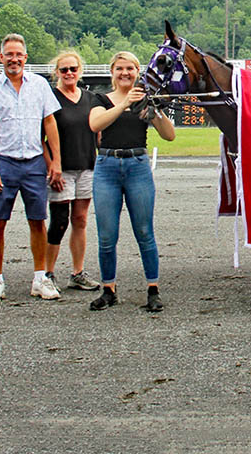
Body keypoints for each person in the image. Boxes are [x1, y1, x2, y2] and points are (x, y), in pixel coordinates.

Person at [87, 51, 176, 312]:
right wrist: (124, 103)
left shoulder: (144, 101)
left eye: (130, 69)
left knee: (145, 232)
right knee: (106, 235)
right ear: (112, 72)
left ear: (138, 72)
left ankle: (153, 289)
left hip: (137, 165)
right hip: (107, 166)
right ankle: (109, 289)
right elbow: (95, 124)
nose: (125, 73)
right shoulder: (100, 98)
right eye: (120, 68)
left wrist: (155, 110)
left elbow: (169, 135)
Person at [0, 33, 63, 303]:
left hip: (34, 162)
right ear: (1, 57)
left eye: (19, 54)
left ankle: (40, 277)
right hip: (4, 161)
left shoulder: (39, 85)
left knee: (38, 220)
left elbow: (50, 124)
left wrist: (56, 162)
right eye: (9, 54)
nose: (14, 59)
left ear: (25, 58)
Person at [43, 50, 101, 294]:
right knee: (58, 221)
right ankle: (47, 273)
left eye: (73, 69)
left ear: (80, 71)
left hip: (86, 165)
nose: (68, 73)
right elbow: (41, 138)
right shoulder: (50, 98)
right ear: (57, 72)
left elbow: (99, 131)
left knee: (80, 219)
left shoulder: (90, 99)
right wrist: (51, 166)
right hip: (61, 169)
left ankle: (77, 272)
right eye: (64, 70)